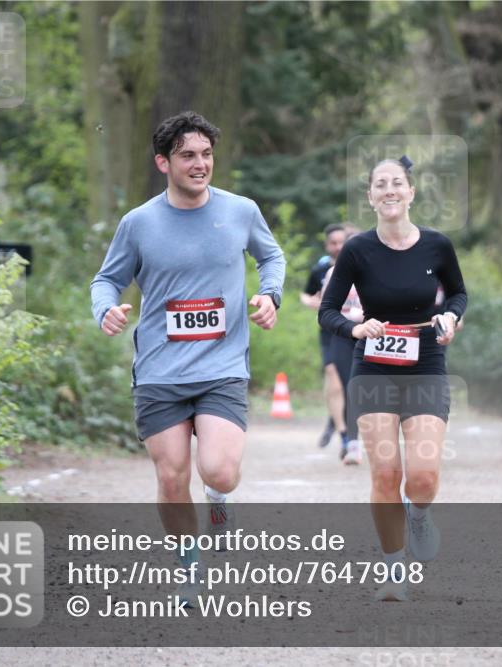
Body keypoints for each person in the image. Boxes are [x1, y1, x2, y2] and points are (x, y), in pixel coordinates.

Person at [90, 111, 285, 605]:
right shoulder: (138, 223)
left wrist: (270, 295)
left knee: (218, 471)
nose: (200, 165)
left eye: (206, 155)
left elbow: (272, 256)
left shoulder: (240, 211)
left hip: (221, 367)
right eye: (187, 156)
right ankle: (189, 570)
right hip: (159, 371)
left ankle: (219, 498)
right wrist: (105, 310)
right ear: (164, 162)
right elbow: (106, 279)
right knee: (172, 475)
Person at [319, 156, 467, 602]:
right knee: (386, 474)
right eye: (380, 184)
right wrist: (355, 328)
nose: (389, 190)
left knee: (421, 478)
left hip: (425, 366)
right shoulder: (357, 250)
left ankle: (418, 515)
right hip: (373, 369)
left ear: (411, 192)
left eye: (397, 183)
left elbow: (458, 293)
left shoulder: (437, 246)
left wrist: (450, 318)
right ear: (370, 196)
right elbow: (328, 311)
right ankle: (394, 571)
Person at [318, 224, 365, 464]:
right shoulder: (334, 272)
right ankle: (352, 443)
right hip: (342, 335)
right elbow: (326, 308)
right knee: (348, 386)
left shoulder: (378, 269)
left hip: (370, 335)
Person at [300, 224, 348, 450]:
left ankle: (335, 421)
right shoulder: (320, 270)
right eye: (333, 243)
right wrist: (310, 302)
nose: (338, 247)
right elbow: (306, 293)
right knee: (332, 373)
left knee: (351, 384)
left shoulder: (361, 265)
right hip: (330, 331)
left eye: (342, 242)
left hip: (356, 330)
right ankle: (343, 433)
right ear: (327, 245)